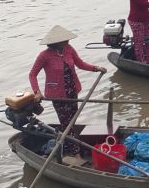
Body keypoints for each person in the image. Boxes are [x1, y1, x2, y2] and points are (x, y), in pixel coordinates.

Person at [29, 25, 106, 155]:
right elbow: (32, 74)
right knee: (66, 123)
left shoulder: (68, 49)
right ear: (55, 42)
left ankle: (70, 143)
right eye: (65, 40)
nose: (68, 42)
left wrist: (96, 68)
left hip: (72, 91)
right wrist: (37, 92)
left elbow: (80, 64)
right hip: (57, 95)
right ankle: (73, 149)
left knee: (72, 120)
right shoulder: (44, 56)